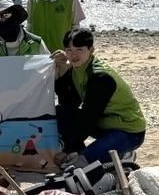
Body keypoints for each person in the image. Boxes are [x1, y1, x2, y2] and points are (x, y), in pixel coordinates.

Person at [52, 28, 146, 164]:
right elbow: (68, 103)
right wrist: (59, 72)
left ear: (91, 50)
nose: (73, 55)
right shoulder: (76, 69)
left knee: (83, 162)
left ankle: (124, 154)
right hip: (104, 123)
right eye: (69, 50)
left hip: (128, 131)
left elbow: (88, 118)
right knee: (61, 113)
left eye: (79, 50)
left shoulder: (100, 77)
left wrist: (67, 150)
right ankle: (89, 153)